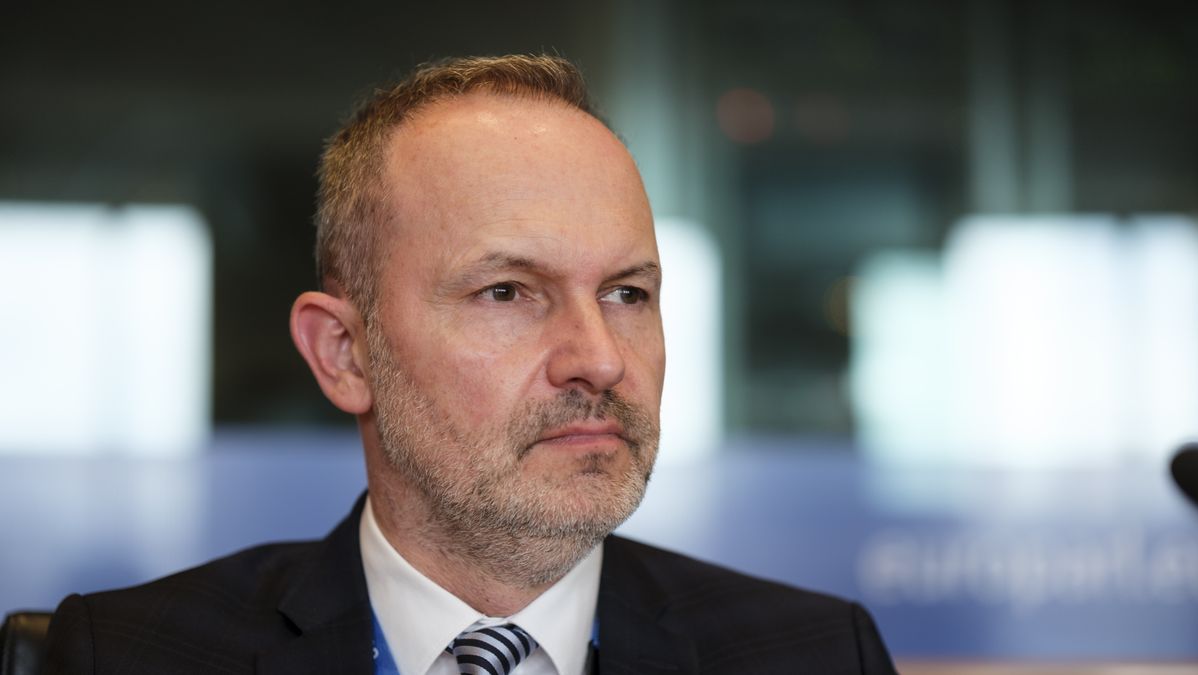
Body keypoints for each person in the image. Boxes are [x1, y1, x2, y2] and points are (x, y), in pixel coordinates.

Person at [44, 54, 897, 674]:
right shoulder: (128, 655)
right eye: (507, 293)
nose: (598, 358)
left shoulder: (818, 655)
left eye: (628, 293)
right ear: (345, 353)